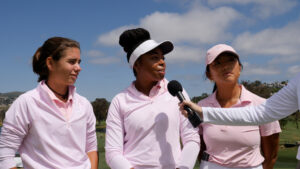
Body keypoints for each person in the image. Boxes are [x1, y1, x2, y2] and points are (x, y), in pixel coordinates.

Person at [105, 28, 200, 169]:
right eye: (155, 58)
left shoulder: (177, 92)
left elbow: (192, 137)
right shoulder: (120, 101)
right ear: (137, 64)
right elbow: (113, 152)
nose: (162, 62)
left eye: (163, 58)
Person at [0, 37, 98, 169]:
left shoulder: (84, 105)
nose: (78, 68)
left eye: (79, 62)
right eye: (72, 62)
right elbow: (5, 154)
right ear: (50, 63)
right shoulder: (27, 103)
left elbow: (91, 147)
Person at [196, 44, 281, 169]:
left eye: (231, 60)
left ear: (239, 68)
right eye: (217, 63)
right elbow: (199, 148)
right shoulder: (201, 107)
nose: (225, 66)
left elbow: (271, 156)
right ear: (209, 75)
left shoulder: (262, 105)